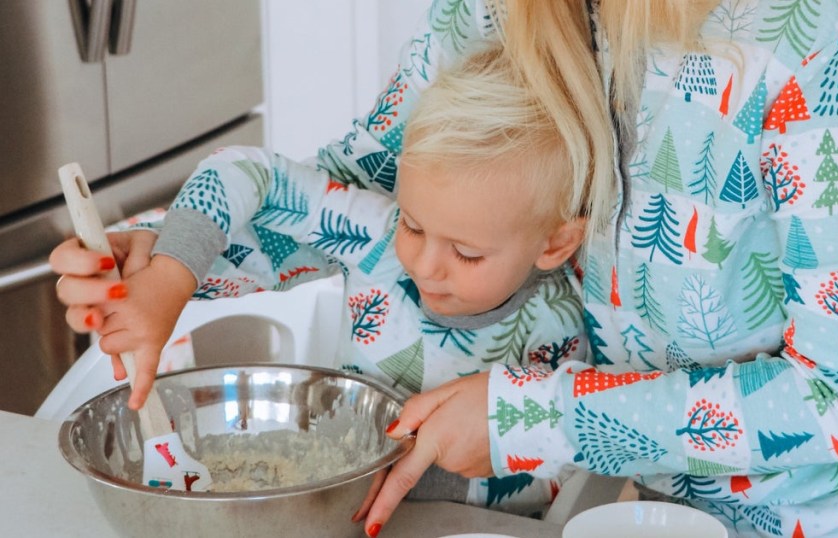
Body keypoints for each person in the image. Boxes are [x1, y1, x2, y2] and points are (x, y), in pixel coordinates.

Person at [53, 1, 838, 537]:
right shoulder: (504, 9)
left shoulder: (825, 43)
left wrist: (529, 414)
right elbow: (373, 193)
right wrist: (173, 256)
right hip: (665, 510)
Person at [51, 46, 590, 516]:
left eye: (467, 253)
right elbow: (244, 172)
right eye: (414, 224)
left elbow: (558, 474)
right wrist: (170, 273)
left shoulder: (562, 327)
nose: (424, 265)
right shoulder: (371, 234)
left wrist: (414, 480)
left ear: (554, 244)